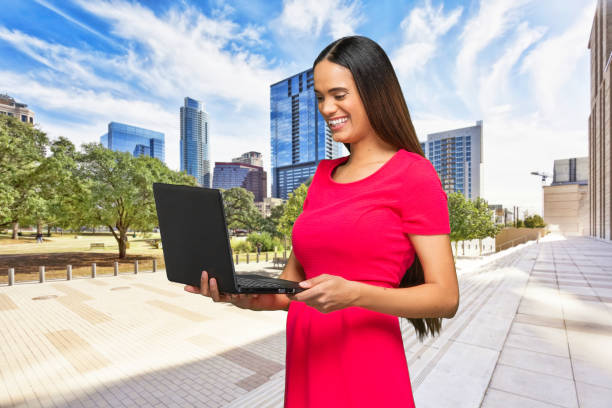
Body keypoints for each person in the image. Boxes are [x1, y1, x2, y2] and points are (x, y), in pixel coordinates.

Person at [185, 36, 459, 408]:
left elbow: (445, 297)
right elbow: (290, 291)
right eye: (319, 96)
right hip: (306, 361)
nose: (327, 108)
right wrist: (240, 296)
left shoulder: (413, 174)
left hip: (366, 367)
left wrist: (356, 294)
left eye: (339, 94)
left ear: (374, 91)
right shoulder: (322, 176)